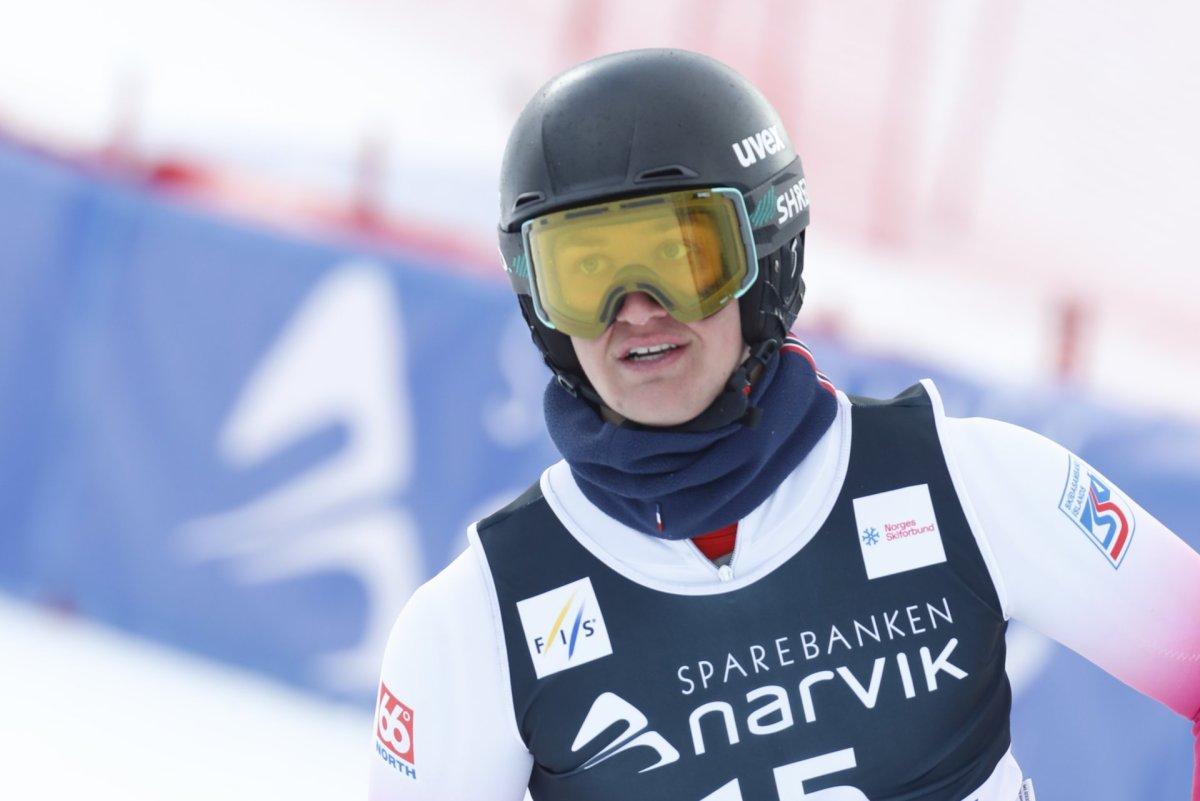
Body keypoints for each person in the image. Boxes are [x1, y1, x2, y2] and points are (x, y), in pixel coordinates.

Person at [368, 48, 1200, 801]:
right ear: (539, 303)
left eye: (681, 257)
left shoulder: (966, 485)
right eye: (586, 272)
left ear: (765, 258)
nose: (637, 309)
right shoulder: (478, 621)